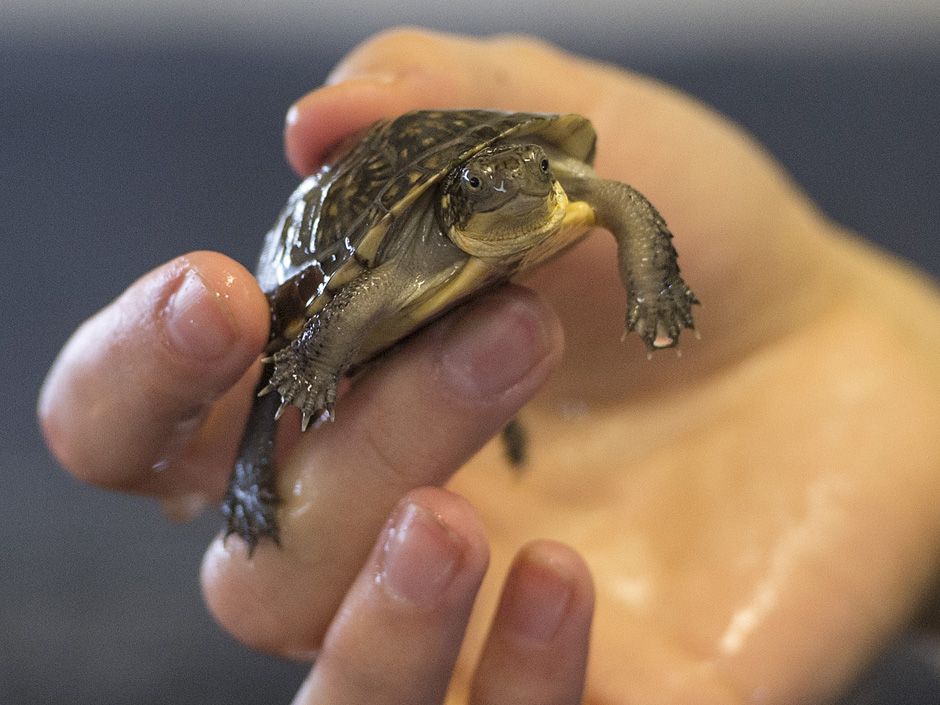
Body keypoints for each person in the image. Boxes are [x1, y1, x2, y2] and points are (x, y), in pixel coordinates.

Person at [37, 28, 940, 705]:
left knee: (470, 347)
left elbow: (616, 200)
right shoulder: (396, 249)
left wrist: (655, 283)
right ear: (460, 196)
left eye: (527, 176)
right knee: (282, 367)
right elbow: (336, 308)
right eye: (489, 183)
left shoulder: (552, 184)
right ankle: (250, 485)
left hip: (460, 296)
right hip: (366, 276)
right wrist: (315, 360)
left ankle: (485, 415)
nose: (524, 188)